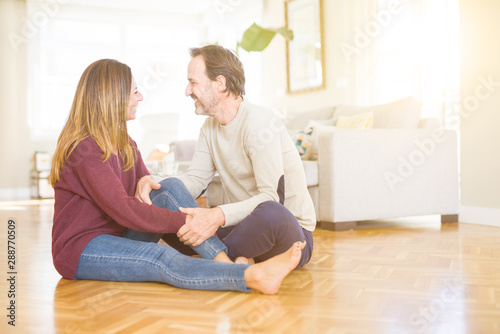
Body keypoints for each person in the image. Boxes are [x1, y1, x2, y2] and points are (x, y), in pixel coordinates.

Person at [48, 58, 305, 294]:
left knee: (168, 187)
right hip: (83, 248)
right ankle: (250, 275)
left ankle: (226, 264)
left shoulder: (126, 143)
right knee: (161, 257)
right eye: (134, 91)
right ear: (112, 97)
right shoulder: (84, 149)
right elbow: (124, 210)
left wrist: (148, 182)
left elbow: (158, 191)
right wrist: (191, 219)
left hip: (120, 235)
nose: (140, 97)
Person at [155, 45, 316, 268]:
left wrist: (217, 215)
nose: (187, 91)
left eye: (193, 82)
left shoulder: (259, 123)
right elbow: (195, 181)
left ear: (220, 83)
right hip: (241, 229)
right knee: (166, 194)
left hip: (289, 234)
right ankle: (230, 260)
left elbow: (272, 198)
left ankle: (213, 257)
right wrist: (157, 188)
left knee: (271, 212)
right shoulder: (209, 128)